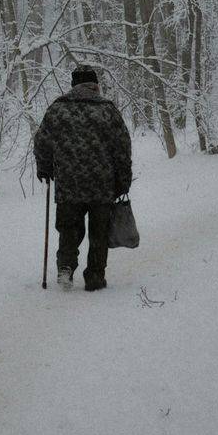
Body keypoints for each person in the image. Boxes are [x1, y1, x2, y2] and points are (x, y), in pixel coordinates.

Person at [33, 64, 132, 291]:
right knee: (99, 233)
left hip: (68, 184)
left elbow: (42, 142)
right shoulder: (107, 110)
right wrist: (123, 180)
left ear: (73, 84)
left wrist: (44, 168)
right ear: (95, 84)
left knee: (69, 228)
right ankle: (95, 277)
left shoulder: (58, 108)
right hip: (102, 185)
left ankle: (65, 267)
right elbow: (122, 148)